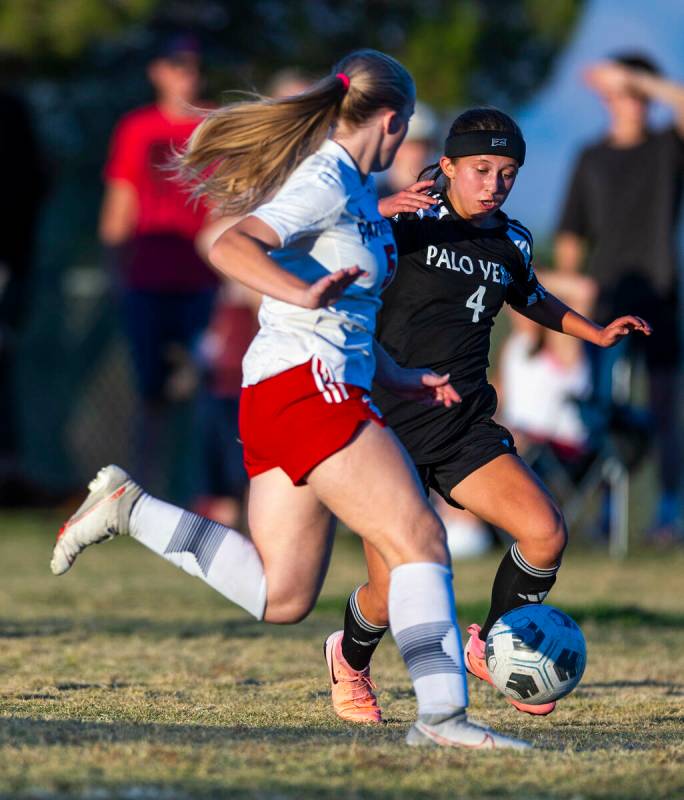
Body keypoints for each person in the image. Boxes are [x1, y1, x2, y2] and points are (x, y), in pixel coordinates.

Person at [50, 50, 530, 751]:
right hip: (312, 389)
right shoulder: (328, 178)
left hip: (286, 391)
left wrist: (399, 374)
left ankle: (130, 508)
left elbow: (352, 314)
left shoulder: (362, 193)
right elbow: (230, 244)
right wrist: (299, 292)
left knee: (283, 596)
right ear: (392, 121)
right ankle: (442, 717)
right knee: (419, 539)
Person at [322, 107, 651, 725]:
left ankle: (491, 643)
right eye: (479, 169)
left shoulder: (513, 240)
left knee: (545, 531)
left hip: (462, 422)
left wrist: (595, 333)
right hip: (384, 423)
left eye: (507, 172)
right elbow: (316, 235)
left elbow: (532, 295)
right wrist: (378, 212)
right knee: (392, 589)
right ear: (446, 166)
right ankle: (351, 658)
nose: (493, 183)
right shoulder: (406, 218)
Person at [555, 53, 684, 541]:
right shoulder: (591, 157)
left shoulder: (668, 147)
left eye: (637, 94)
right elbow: (570, 236)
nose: (630, 102)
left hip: (661, 290)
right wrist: (560, 313)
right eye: (622, 93)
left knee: (665, 408)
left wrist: (640, 80)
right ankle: (607, 513)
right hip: (605, 299)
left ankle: (668, 510)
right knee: (605, 409)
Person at [100, 33, 219, 496]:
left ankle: (205, 495)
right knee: (150, 395)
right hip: (147, 278)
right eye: (176, 65)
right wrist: (116, 272)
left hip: (202, 281)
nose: (186, 74)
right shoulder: (137, 128)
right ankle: (138, 497)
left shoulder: (214, 126)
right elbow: (121, 203)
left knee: (207, 391)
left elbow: (226, 205)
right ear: (158, 71)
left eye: (192, 65)